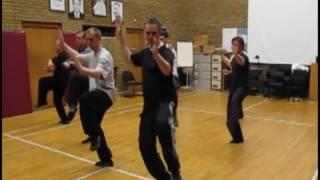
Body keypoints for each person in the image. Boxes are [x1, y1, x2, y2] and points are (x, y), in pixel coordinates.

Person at [115, 17, 182, 180]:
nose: (150, 36)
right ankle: (163, 177)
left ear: (159, 34)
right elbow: (130, 60)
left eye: (154, 33)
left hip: (166, 103)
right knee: (145, 147)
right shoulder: (145, 53)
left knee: (164, 132)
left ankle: (175, 171)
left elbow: (167, 70)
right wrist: (121, 39)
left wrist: (155, 54)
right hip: (149, 107)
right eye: (148, 33)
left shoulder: (167, 52)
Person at [59, 27, 116, 167]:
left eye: (92, 40)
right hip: (95, 94)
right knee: (95, 124)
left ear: (99, 39)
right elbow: (76, 56)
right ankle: (106, 158)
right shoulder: (92, 55)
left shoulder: (104, 56)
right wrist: (64, 45)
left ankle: (93, 135)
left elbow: (99, 73)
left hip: (106, 94)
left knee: (84, 99)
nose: (89, 43)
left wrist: (83, 70)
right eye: (88, 40)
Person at [221, 36, 249, 144]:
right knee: (229, 118)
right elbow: (231, 64)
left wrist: (236, 54)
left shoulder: (244, 56)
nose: (234, 47)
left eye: (236, 45)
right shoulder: (233, 57)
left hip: (242, 88)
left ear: (241, 46)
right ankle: (237, 138)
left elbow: (241, 62)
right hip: (233, 88)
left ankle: (237, 117)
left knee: (233, 109)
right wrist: (220, 55)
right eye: (233, 44)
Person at [35, 40, 72, 124]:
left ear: (62, 46)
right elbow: (52, 64)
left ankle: (42, 102)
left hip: (60, 81)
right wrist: (50, 62)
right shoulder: (60, 56)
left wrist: (49, 63)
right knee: (57, 100)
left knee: (43, 81)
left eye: (57, 45)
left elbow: (51, 67)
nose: (55, 47)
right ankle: (64, 119)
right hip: (61, 81)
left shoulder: (63, 55)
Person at [65, 30, 92, 127]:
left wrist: (71, 63)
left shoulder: (89, 50)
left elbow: (80, 61)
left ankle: (73, 105)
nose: (76, 40)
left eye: (79, 38)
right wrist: (67, 63)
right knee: (85, 112)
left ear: (85, 39)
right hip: (83, 84)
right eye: (76, 38)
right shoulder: (79, 50)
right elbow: (72, 59)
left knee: (90, 112)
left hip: (90, 81)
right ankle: (91, 135)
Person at [159, 26, 180, 128]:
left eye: (162, 39)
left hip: (172, 76)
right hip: (160, 77)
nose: (160, 41)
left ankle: (175, 114)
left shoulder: (170, 50)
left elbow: (170, 65)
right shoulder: (157, 48)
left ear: (166, 39)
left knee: (173, 96)